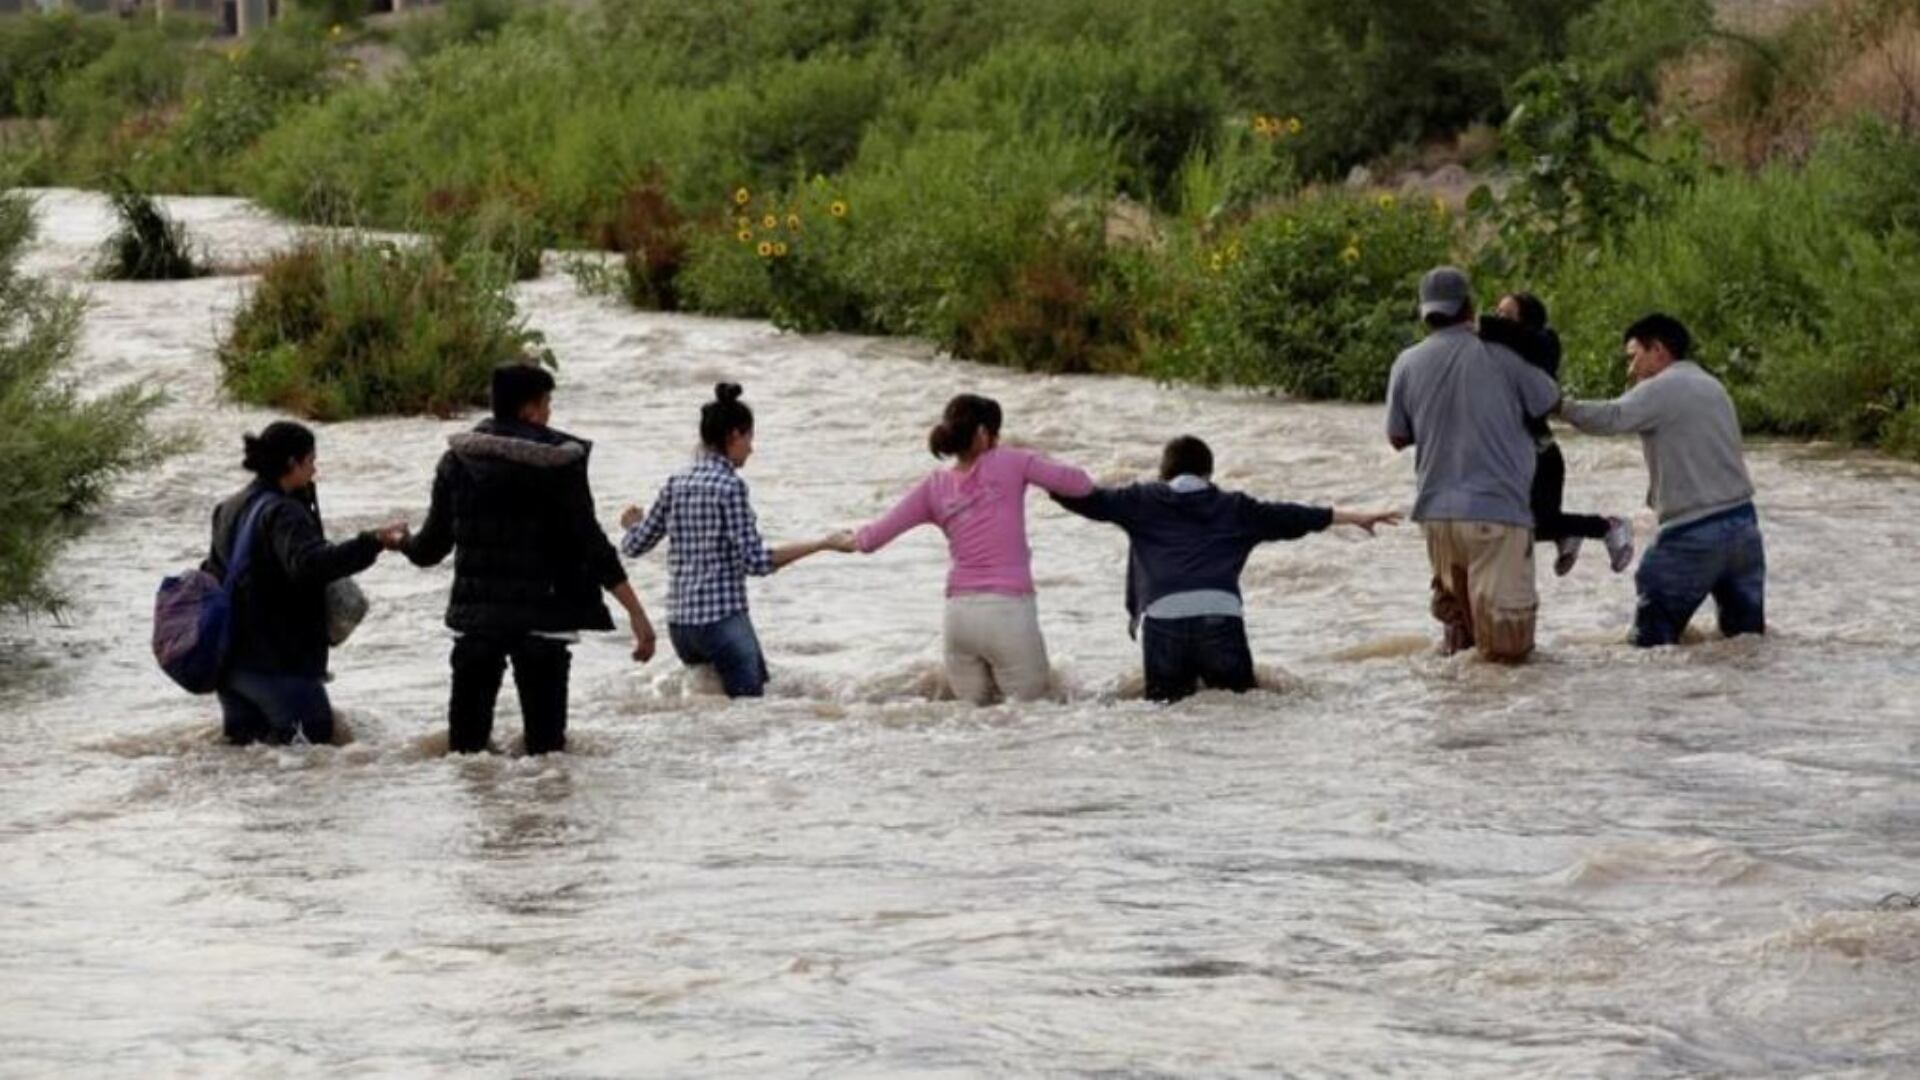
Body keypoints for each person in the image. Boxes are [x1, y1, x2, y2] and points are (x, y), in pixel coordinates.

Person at [404, 363, 657, 754]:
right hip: (545, 625)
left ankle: (469, 817)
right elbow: (593, 546)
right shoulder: (561, 465)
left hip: (478, 627)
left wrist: (398, 542)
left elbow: (431, 548)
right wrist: (636, 613)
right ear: (528, 411)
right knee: (547, 757)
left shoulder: (456, 462)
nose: (550, 413)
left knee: (465, 757)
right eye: (547, 404)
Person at [1053, 435, 1400, 703]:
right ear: (1208, 473)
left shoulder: (1141, 500)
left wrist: (1036, 476)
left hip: (1164, 618)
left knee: (1165, 714)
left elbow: (1088, 499)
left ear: (1164, 473)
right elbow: (1294, 516)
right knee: (1239, 706)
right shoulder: (1235, 507)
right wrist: (1355, 517)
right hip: (1221, 617)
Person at [835, 393, 1094, 705]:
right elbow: (1080, 484)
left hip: (958, 619)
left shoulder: (933, 485)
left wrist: (831, 541)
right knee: (1032, 722)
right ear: (985, 434)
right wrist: (1033, 458)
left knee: (971, 727)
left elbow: (870, 539)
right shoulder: (1012, 461)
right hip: (1008, 612)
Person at [619, 383, 845, 698]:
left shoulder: (676, 482)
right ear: (735, 436)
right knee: (751, 711)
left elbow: (633, 546)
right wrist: (822, 543)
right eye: (750, 438)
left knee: (712, 713)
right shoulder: (730, 486)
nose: (752, 449)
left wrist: (632, 525)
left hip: (681, 627)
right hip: (720, 621)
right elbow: (757, 562)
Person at [1386, 266, 1561, 662]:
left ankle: (1460, 725)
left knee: (1459, 645)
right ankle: (1508, 727)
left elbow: (1397, 437)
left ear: (1424, 313)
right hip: (1497, 517)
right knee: (1506, 658)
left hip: (1436, 520)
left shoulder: (1406, 363)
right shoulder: (1503, 357)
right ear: (1469, 306)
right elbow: (1548, 400)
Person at [1557, 314, 1765, 646]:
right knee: (1744, 641)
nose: (1630, 369)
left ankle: (1659, 700)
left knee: (1650, 645)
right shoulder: (1713, 386)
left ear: (1658, 350)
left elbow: (1611, 418)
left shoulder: (1662, 388)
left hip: (1692, 533)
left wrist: (1557, 405)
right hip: (1744, 528)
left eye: (1633, 356)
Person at [205, 421, 409, 746]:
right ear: (292, 463)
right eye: (311, 461)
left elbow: (213, 572)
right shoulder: (284, 512)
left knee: (248, 766)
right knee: (311, 751)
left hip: (233, 665)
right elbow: (311, 565)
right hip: (279, 663)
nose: (314, 470)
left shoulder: (228, 508)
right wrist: (374, 541)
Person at [1480, 292, 1634, 576]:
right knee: (1512, 526)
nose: (1498, 320)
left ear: (1527, 321)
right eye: (1496, 312)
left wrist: (1473, 324)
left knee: (1529, 525)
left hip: (1541, 456)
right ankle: (1567, 533)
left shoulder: (1543, 344)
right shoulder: (1499, 354)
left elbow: (1513, 335)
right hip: (1522, 455)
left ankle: (1608, 526)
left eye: (1507, 315)